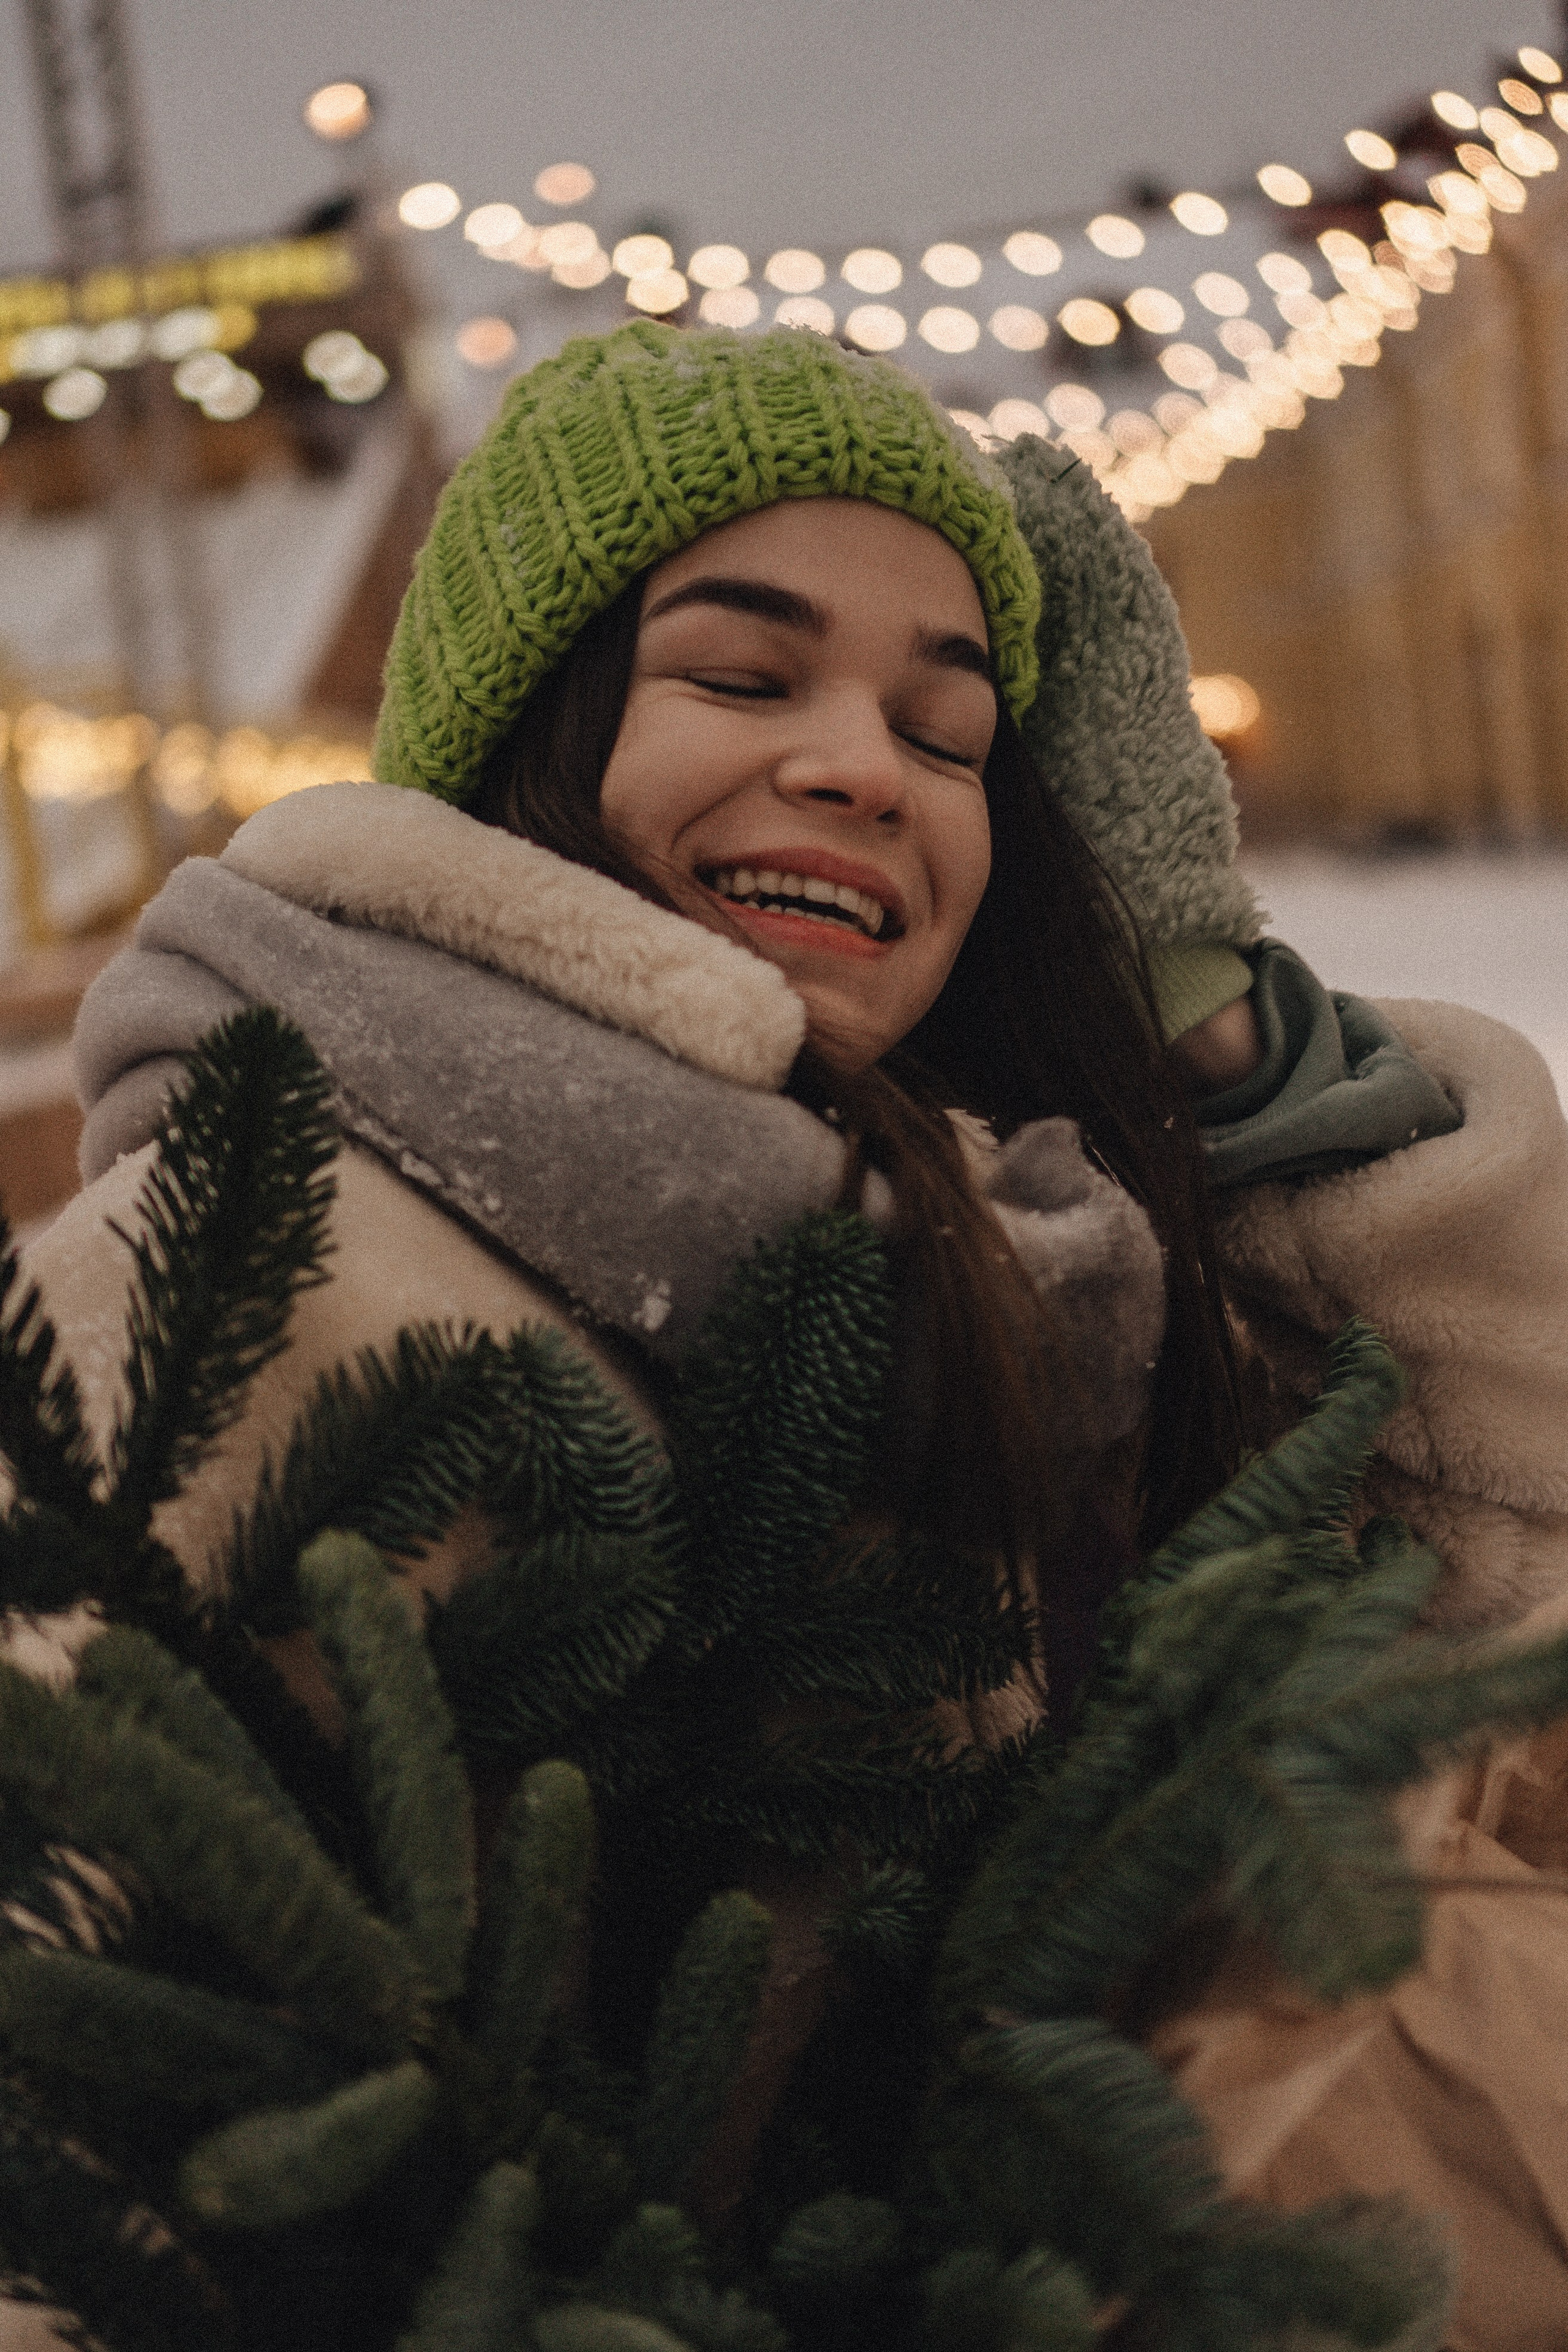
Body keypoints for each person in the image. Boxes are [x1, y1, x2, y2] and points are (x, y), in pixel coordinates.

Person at [18, 320, 1568, 2349]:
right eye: (742, 677)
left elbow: (1495, 1639)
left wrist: (1199, 994)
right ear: (527, 739)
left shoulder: (1025, 1258)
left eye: (949, 736)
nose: (859, 765)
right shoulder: (250, 1258)